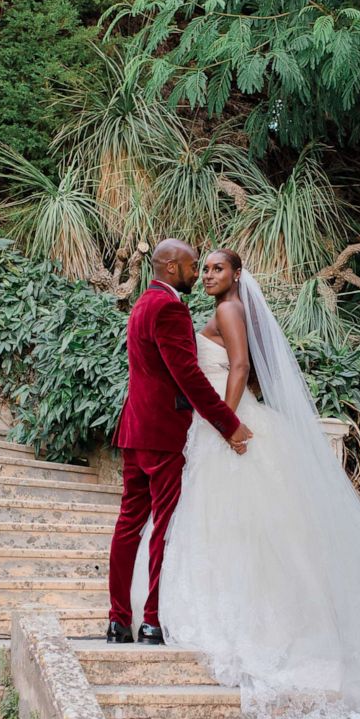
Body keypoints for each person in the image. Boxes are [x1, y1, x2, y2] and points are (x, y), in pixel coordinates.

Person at [131, 248, 360, 719]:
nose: (209, 275)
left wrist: (223, 425)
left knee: (240, 526)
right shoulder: (222, 309)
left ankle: (256, 623)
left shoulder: (229, 309)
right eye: (205, 268)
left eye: (218, 268)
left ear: (237, 275)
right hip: (219, 421)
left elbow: (237, 369)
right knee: (235, 527)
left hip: (228, 425)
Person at [107, 239, 252, 646]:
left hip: (135, 431)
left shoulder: (141, 305)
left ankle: (119, 621)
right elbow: (187, 374)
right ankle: (152, 619)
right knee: (165, 527)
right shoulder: (170, 308)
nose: (197, 273)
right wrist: (229, 424)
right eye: (192, 266)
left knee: (129, 525)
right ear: (170, 267)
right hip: (164, 435)